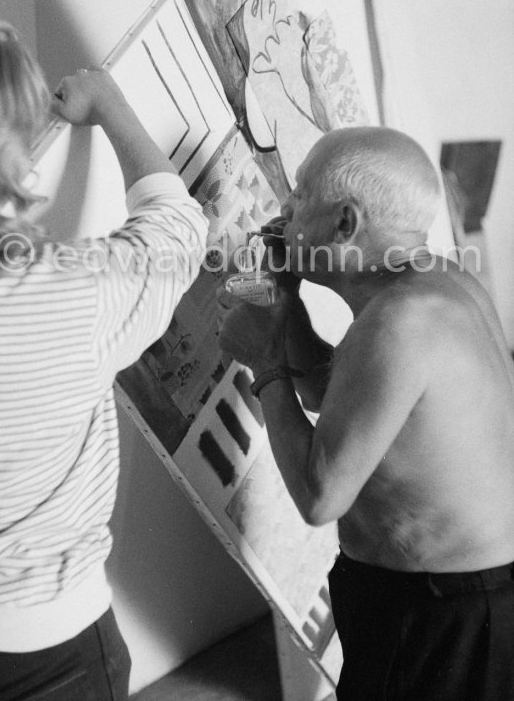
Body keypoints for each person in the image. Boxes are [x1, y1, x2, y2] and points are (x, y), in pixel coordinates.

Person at [218, 126, 514, 701]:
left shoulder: (398, 323)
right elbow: (338, 397)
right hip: (461, 597)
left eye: (300, 195)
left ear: (345, 223)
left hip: (444, 610)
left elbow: (319, 495)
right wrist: (287, 303)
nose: (285, 206)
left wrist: (265, 362)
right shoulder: (440, 282)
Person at [0, 18, 208, 700]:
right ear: (2, 151)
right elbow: (177, 233)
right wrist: (110, 105)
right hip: (44, 645)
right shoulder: (59, 294)